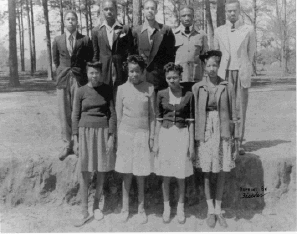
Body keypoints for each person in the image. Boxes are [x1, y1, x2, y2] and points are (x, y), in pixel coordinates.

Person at [192, 50, 238, 228]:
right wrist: (197, 137)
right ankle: (210, 209)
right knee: (206, 170)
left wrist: (235, 136)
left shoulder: (226, 86)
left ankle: (219, 208)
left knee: (222, 169)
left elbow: (233, 112)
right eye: (209, 65)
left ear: (219, 66)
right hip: (205, 131)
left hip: (222, 129)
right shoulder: (197, 87)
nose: (212, 68)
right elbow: (195, 113)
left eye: (215, 65)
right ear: (204, 65)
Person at [72, 61, 116, 227]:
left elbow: (112, 115)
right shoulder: (81, 91)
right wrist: (75, 139)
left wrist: (111, 136)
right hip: (85, 133)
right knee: (84, 170)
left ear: (101, 74)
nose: (94, 76)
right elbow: (75, 115)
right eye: (91, 73)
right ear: (87, 73)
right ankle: (84, 209)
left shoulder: (106, 90)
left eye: (97, 73)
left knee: (101, 168)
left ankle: (97, 205)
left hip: (103, 133)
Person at [115, 55, 155, 224]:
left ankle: (141, 208)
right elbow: (118, 117)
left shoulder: (150, 88)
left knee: (140, 174)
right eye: (131, 71)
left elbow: (153, 116)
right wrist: (118, 139)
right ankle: (125, 208)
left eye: (137, 71)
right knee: (127, 173)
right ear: (127, 71)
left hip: (142, 135)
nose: (134, 74)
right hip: (126, 134)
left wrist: (152, 137)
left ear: (142, 71)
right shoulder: (121, 89)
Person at [153, 63, 195, 224]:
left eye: (175, 77)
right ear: (165, 78)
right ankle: (166, 208)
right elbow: (158, 120)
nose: (172, 80)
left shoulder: (188, 95)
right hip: (165, 135)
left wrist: (191, 146)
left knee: (181, 175)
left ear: (180, 77)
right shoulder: (161, 94)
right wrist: (156, 142)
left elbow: (191, 122)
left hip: (182, 135)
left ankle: (180, 208)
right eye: (169, 77)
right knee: (166, 175)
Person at [214, 0, 256, 155]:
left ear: (239, 11)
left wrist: (243, 68)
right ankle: (226, 141)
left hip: (240, 72)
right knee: (225, 108)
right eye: (229, 11)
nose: (232, 13)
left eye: (235, 11)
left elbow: (250, 53)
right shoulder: (219, 31)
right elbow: (217, 54)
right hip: (224, 73)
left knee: (240, 109)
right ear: (226, 11)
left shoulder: (248, 30)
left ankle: (238, 142)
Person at [52, 10, 93, 161]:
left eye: (73, 19)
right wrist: (61, 72)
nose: (70, 21)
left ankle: (78, 143)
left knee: (78, 110)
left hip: (79, 78)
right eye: (68, 19)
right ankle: (66, 144)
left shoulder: (84, 39)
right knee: (64, 111)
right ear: (64, 22)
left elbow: (89, 60)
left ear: (77, 22)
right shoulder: (57, 40)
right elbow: (56, 61)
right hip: (63, 79)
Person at [91, 0, 134, 100]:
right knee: (105, 97)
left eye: (111, 9)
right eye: (106, 9)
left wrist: (128, 68)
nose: (109, 12)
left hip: (120, 69)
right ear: (102, 11)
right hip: (104, 69)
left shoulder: (125, 29)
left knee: (120, 96)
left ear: (116, 10)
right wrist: (96, 72)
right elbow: (95, 54)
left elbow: (130, 51)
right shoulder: (96, 31)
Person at [132, 0, 175, 93]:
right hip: (143, 77)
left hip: (160, 77)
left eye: (152, 8)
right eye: (147, 8)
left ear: (156, 11)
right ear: (143, 10)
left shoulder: (165, 30)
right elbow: (133, 55)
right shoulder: (136, 31)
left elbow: (171, 55)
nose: (150, 10)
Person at [173, 5, 208, 90]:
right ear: (179, 17)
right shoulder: (173, 34)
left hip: (196, 79)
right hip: (179, 78)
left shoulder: (201, 34)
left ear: (193, 17)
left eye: (189, 15)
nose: (187, 18)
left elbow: (205, 58)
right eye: (183, 16)